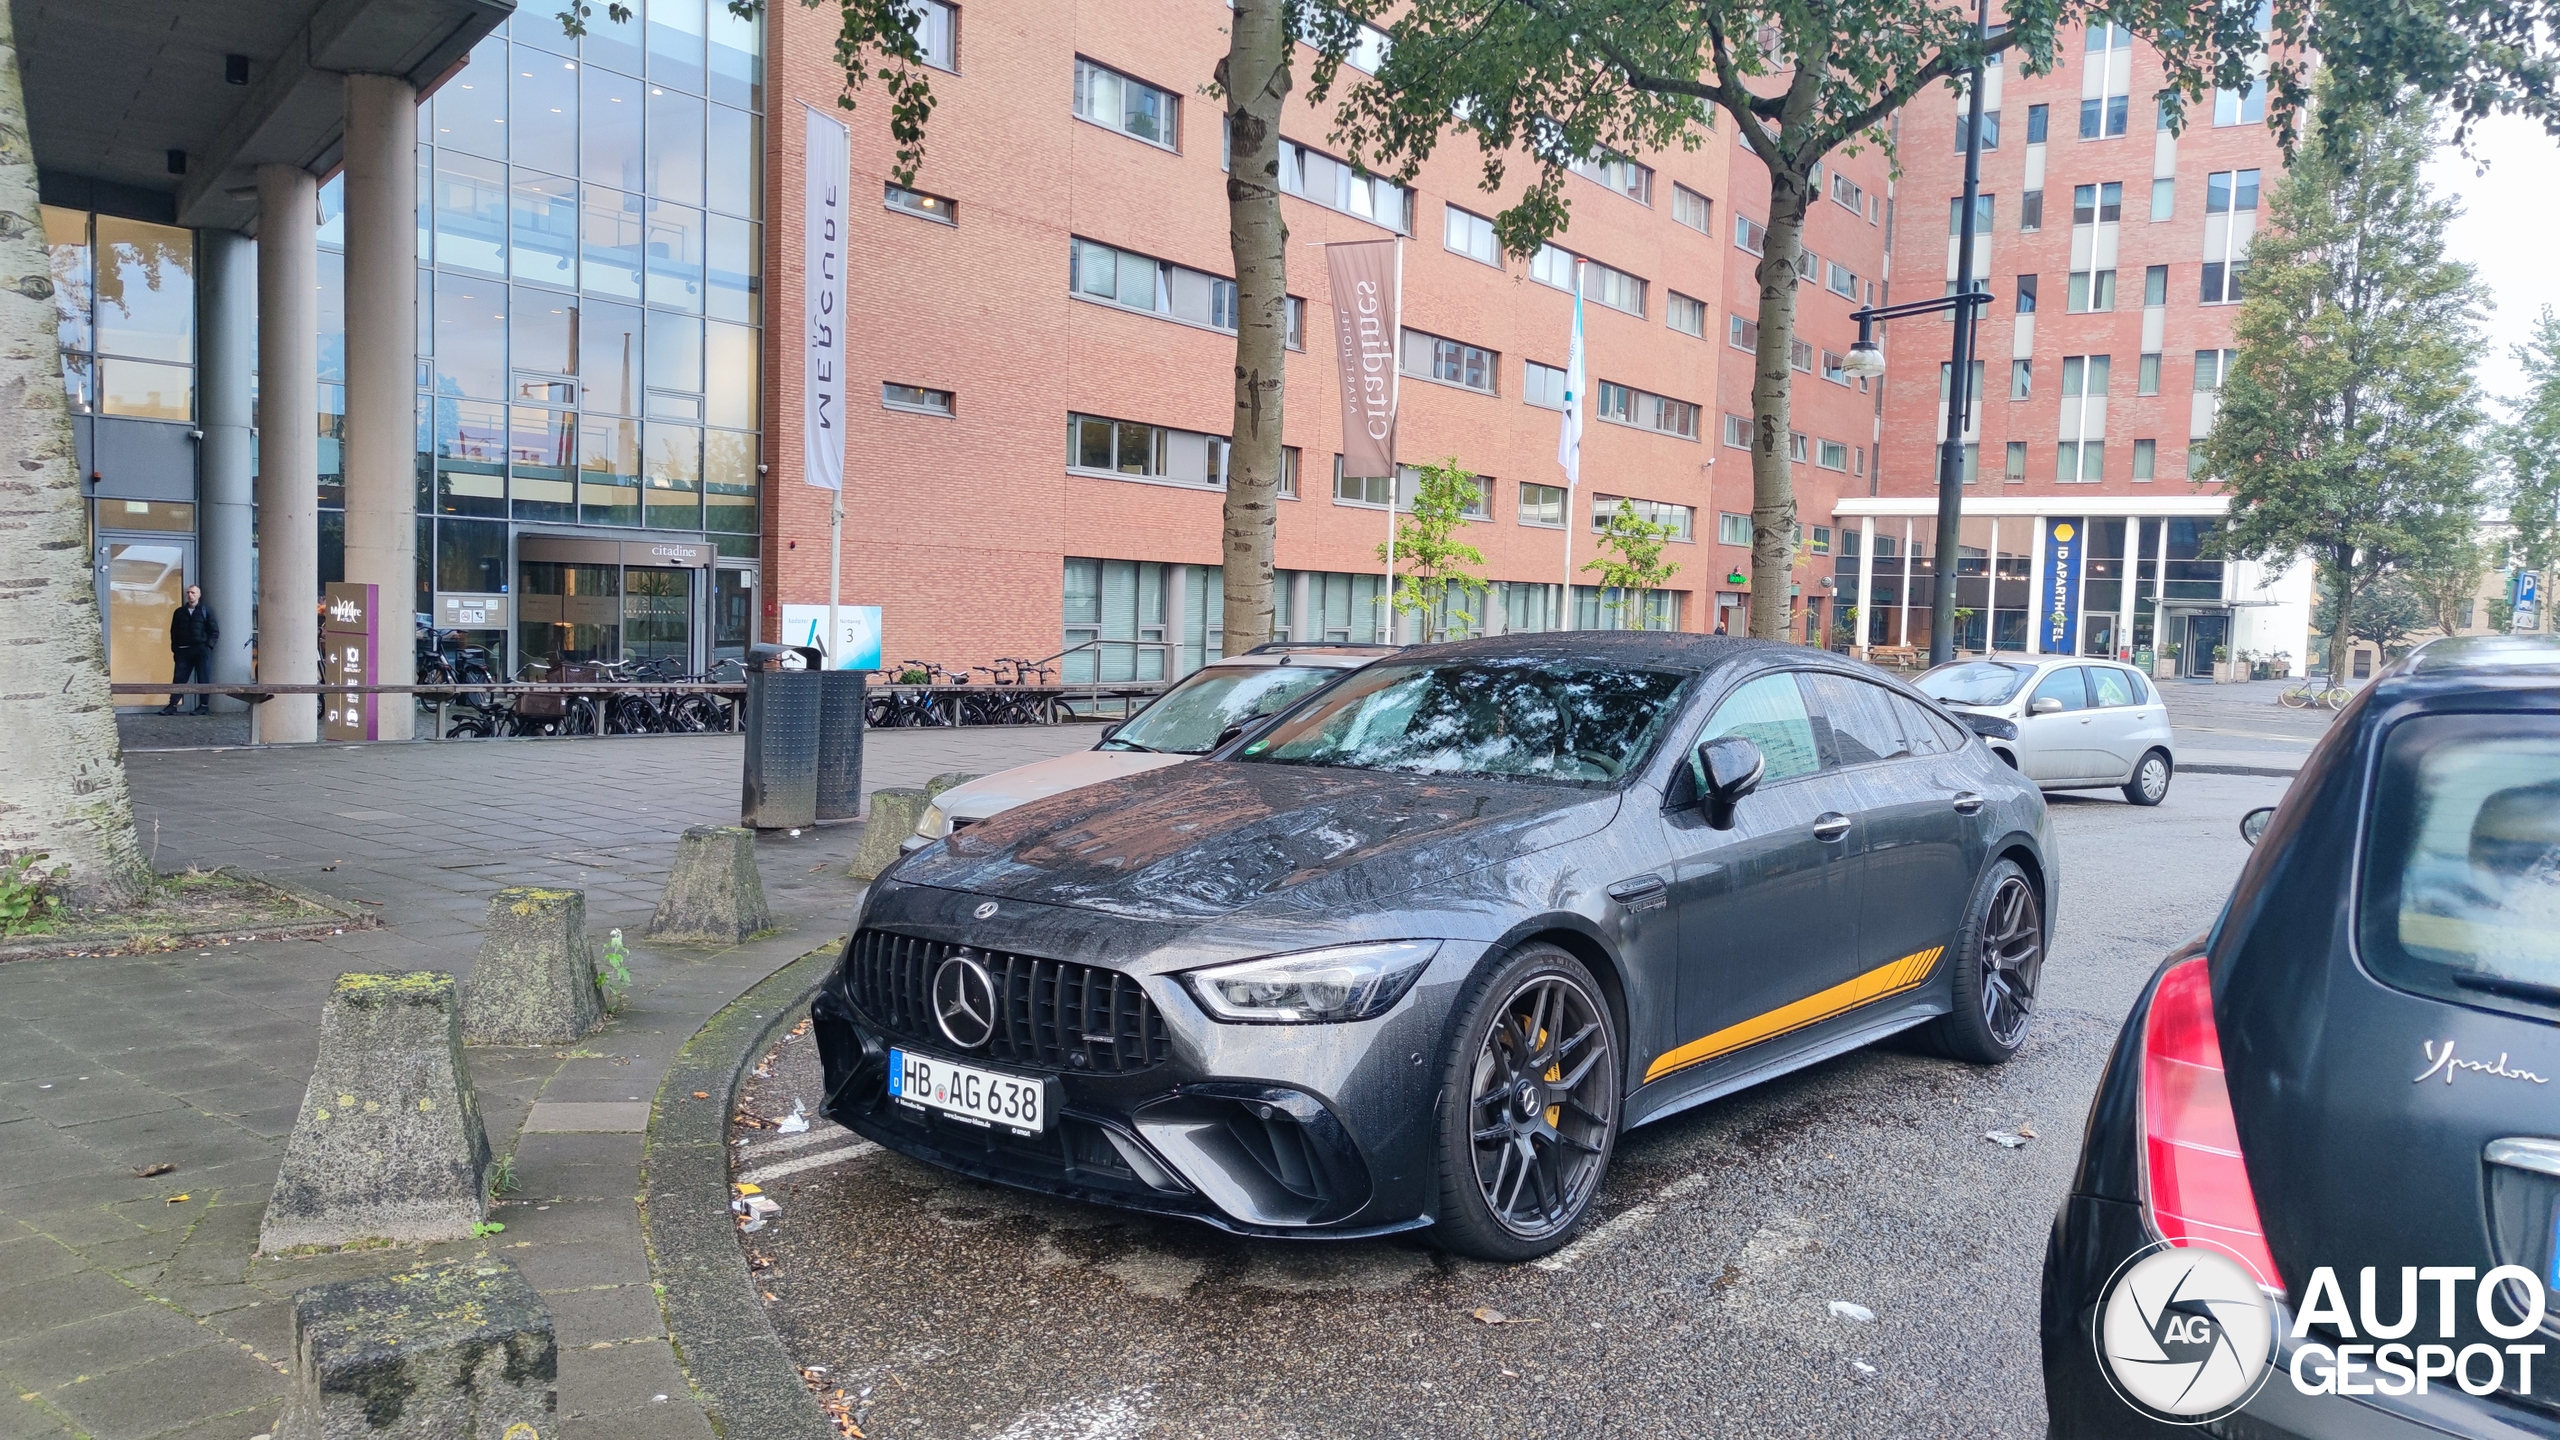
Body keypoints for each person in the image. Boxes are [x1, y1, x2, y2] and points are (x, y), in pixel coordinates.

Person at [163, 584, 217, 715]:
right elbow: (174, 632)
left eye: (193, 592)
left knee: (203, 678)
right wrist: (175, 649)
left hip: (200, 649)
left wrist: (208, 646)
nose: (190, 595)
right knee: (179, 678)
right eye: (188, 592)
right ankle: (172, 704)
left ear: (199, 595)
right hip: (184, 650)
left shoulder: (205, 611)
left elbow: (214, 631)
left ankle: (204, 705)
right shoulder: (179, 612)